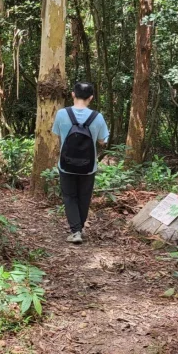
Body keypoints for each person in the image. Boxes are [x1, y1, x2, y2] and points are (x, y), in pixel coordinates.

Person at [52, 81, 109, 244]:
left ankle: (75, 231)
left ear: (72, 94)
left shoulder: (62, 114)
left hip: (66, 164)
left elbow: (57, 134)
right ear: (91, 97)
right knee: (84, 196)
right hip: (89, 166)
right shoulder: (97, 117)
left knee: (69, 196)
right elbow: (102, 141)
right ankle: (79, 228)